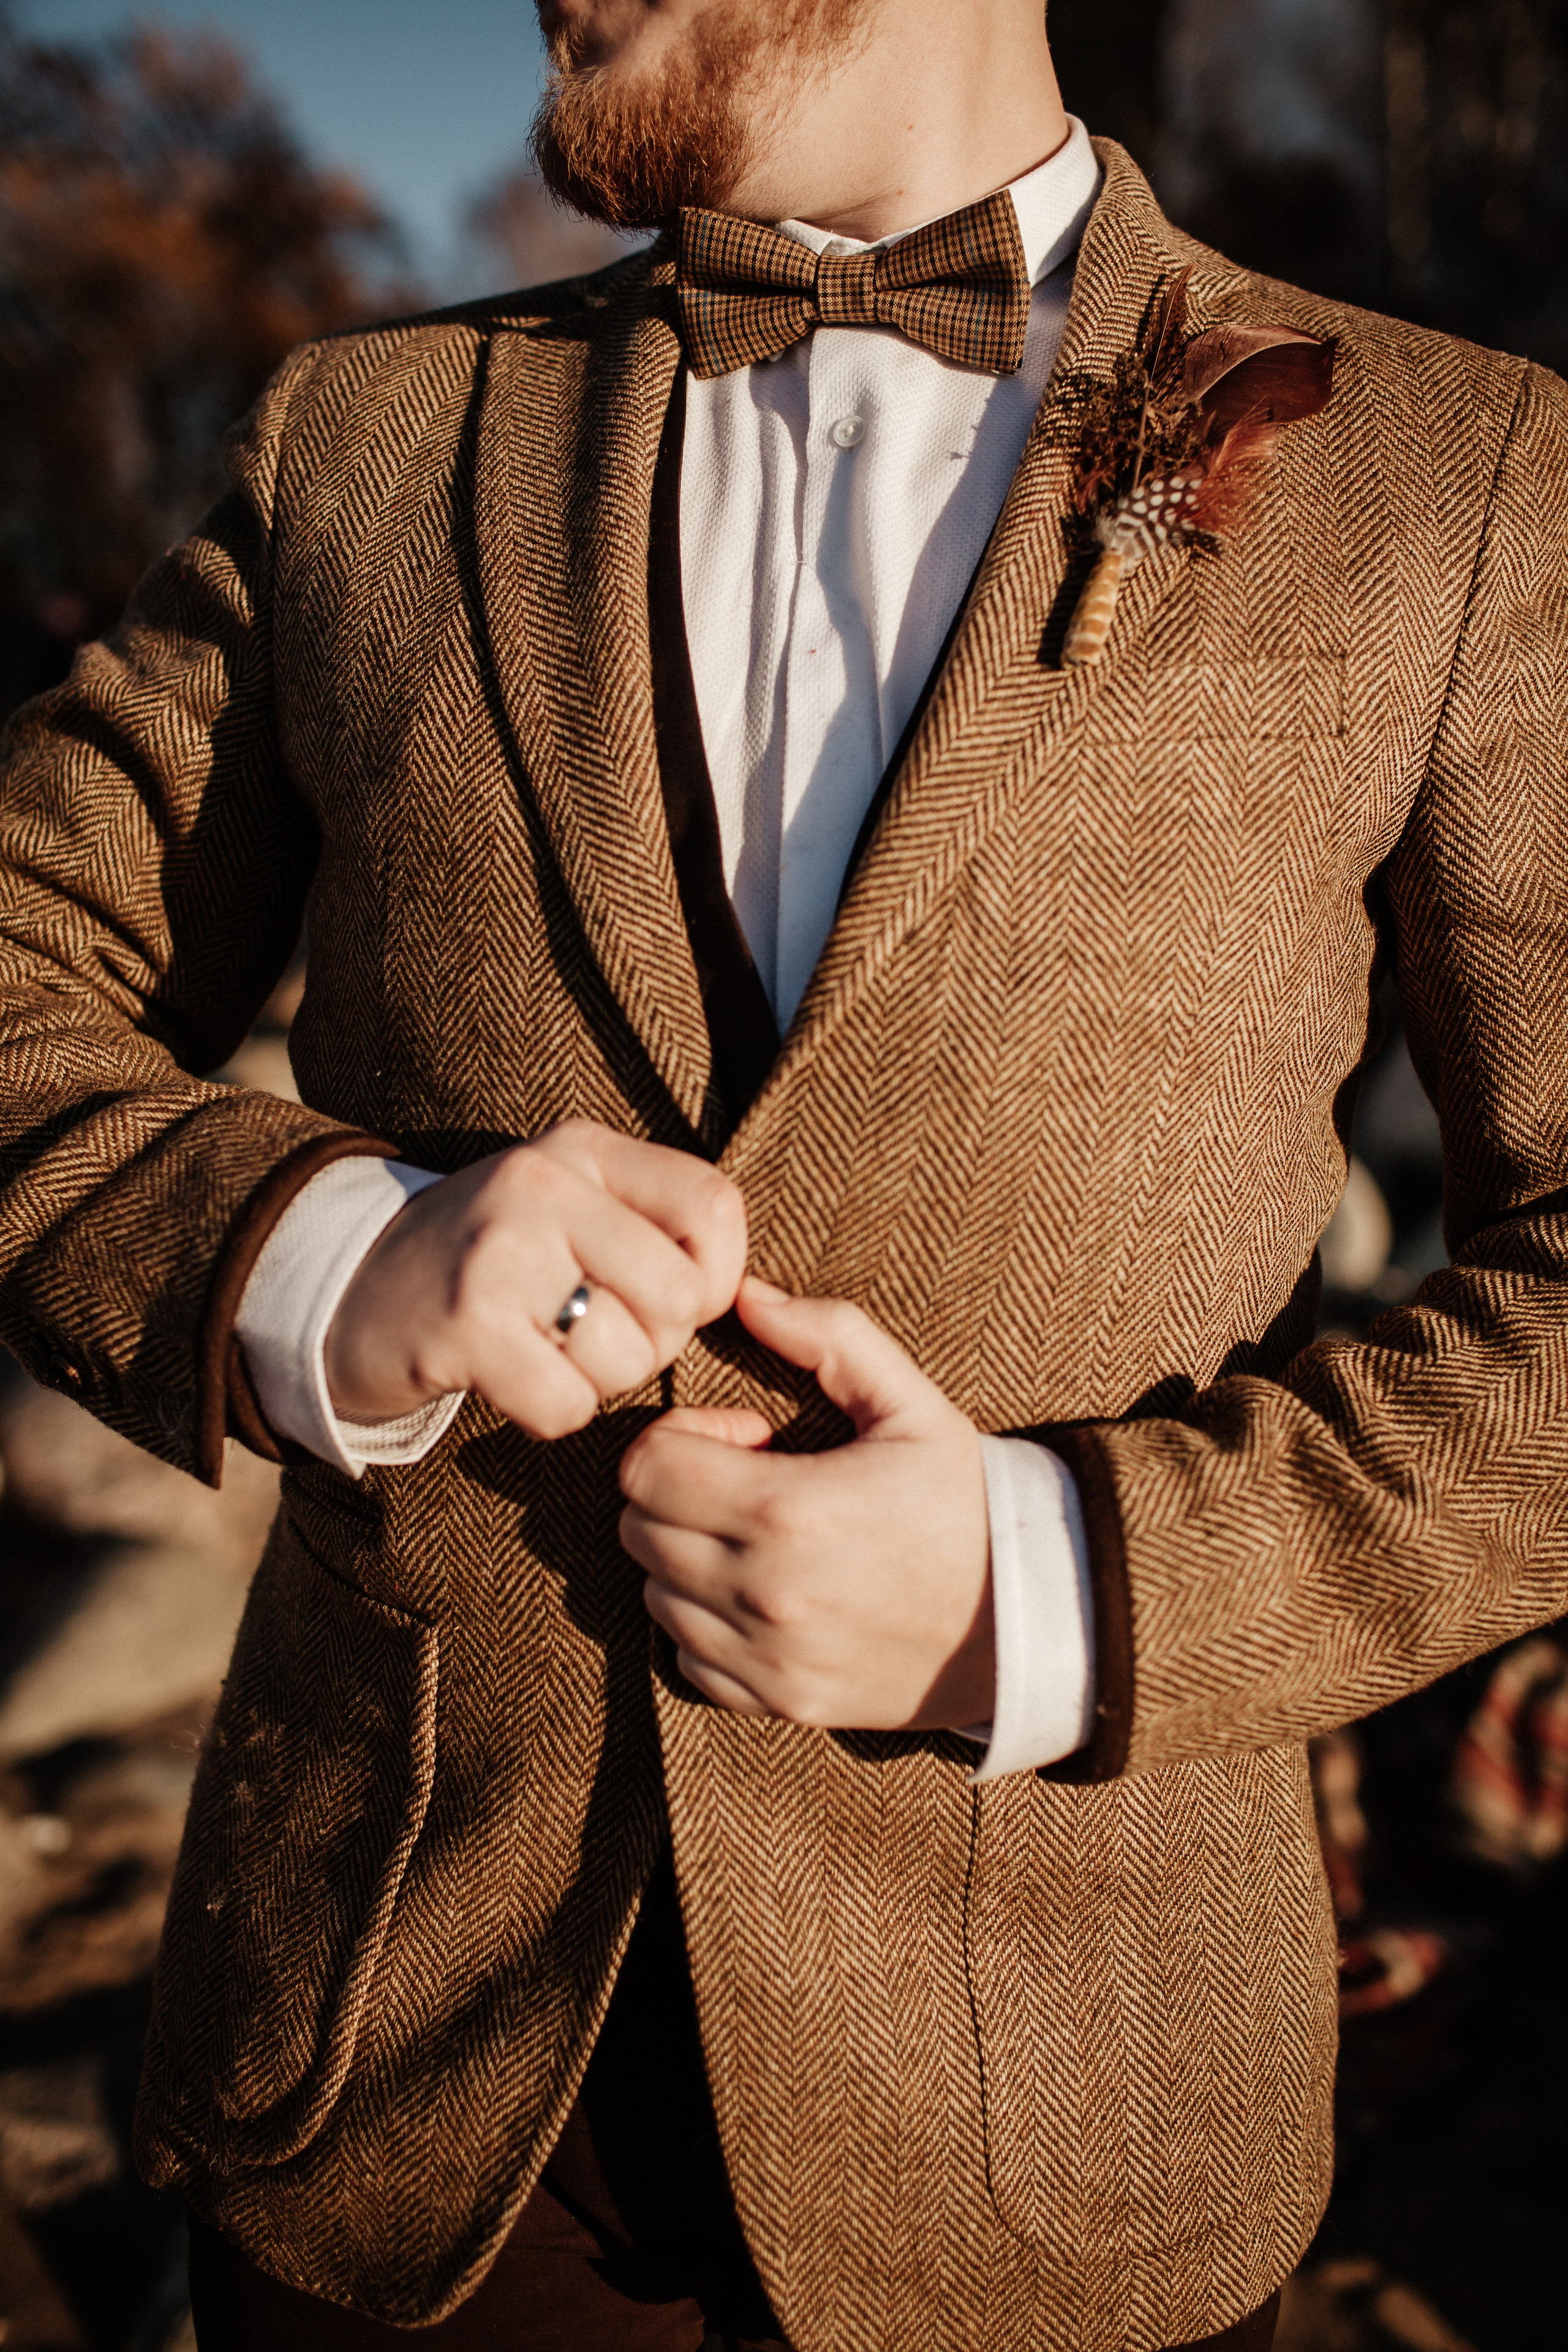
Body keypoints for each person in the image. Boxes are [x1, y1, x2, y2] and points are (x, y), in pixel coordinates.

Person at [1, 0, 1566, 2345]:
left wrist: (1065, 1587)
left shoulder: (1468, 473)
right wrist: (314, 1254)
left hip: (1081, 2123)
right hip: (390, 2095)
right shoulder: (368, 439)